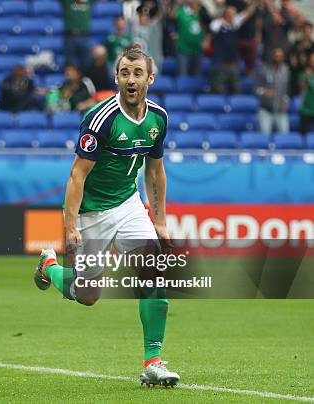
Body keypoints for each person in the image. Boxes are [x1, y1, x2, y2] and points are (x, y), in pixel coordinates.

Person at [33, 47, 180, 387]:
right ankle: (49, 267)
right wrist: (69, 226)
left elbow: (155, 172)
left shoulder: (159, 118)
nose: (131, 79)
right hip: (93, 212)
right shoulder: (101, 118)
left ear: (150, 79)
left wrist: (159, 221)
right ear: (116, 78)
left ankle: (153, 361)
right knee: (87, 296)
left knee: (154, 271)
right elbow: (76, 176)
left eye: (137, 73)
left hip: (129, 204)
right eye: (125, 73)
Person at [209, 2, 257, 94]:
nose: (235, 16)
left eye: (235, 14)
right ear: (227, 14)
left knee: (236, 91)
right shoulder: (217, 24)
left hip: (232, 64)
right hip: (219, 64)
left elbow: (246, 14)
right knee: (219, 92)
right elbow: (214, 24)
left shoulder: (234, 24)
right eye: (232, 14)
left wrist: (254, 3)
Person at [255, 48, 290, 134]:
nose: (278, 58)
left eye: (280, 56)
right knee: (264, 137)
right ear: (273, 57)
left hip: (280, 111)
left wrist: (285, 101)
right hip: (266, 110)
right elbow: (256, 89)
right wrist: (264, 92)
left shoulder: (286, 71)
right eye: (276, 56)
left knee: (285, 136)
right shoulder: (264, 70)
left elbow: (287, 90)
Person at [174, 0, 205, 76]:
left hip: (198, 50)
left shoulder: (203, 13)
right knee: (183, 75)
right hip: (183, 49)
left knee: (196, 76)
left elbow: (209, 27)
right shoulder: (181, 12)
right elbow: (171, 15)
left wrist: (207, 39)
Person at [299, 53, 314, 134]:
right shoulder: (305, 74)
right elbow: (301, 88)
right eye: (312, 61)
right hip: (306, 110)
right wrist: (307, 78)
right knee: (303, 136)